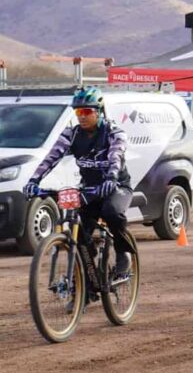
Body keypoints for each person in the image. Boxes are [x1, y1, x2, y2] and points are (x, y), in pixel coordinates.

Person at [23, 87, 135, 281]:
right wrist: (33, 180)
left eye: (86, 112)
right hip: (89, 189)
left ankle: (123, 254)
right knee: (81, 226)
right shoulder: (72, 134)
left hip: (116, 186)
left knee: (111, 213)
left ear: (99, 111)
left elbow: (115, 156)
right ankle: (88, 274)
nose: (81, 117)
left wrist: (111, 177)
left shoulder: (114, 133)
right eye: (78, 112)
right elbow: (51, 158)